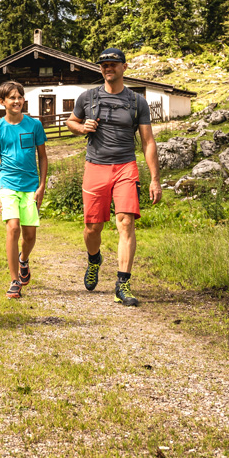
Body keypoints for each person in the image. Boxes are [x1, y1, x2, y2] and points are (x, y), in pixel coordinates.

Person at [65, 47, 162, 307]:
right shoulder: (88, 97)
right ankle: (94, 259)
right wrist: (81, 127)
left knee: (126, 223)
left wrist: (154, 179)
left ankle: (123, 283)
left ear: (124, 67)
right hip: (95, 166)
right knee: (92, 228)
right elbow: (71, 122)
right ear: (101, 69)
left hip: (125, 167)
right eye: (104, 65)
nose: (108, 68)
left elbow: (148, 141)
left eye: (113, 64)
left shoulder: (136, 101)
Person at [0, 81, 48, 299]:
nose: (17, 101)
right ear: (2, 102)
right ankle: (14, 281)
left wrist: (41, 186)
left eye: (19, 97)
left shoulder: (34, 125)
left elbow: (42, 157)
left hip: (31, 186)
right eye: (12, 98)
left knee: (29, 235)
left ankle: (23, 260)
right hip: (8, 185)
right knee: (13, 228)